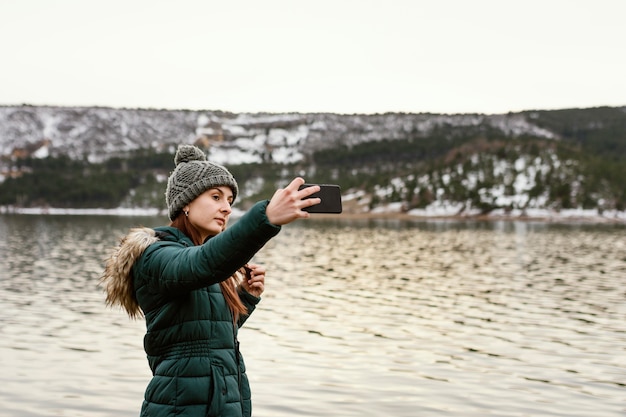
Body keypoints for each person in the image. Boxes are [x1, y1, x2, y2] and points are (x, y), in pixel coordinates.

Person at [100, 144, 321, 417]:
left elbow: (208, 334)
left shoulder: (204, 262)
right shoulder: (156, 256)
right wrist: (266, 218)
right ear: (186, 204)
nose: (226, 208)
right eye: (216, 197)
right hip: (179, 407)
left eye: (229, 200)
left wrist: (244, 298)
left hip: (223, 402)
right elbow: (203, 264)